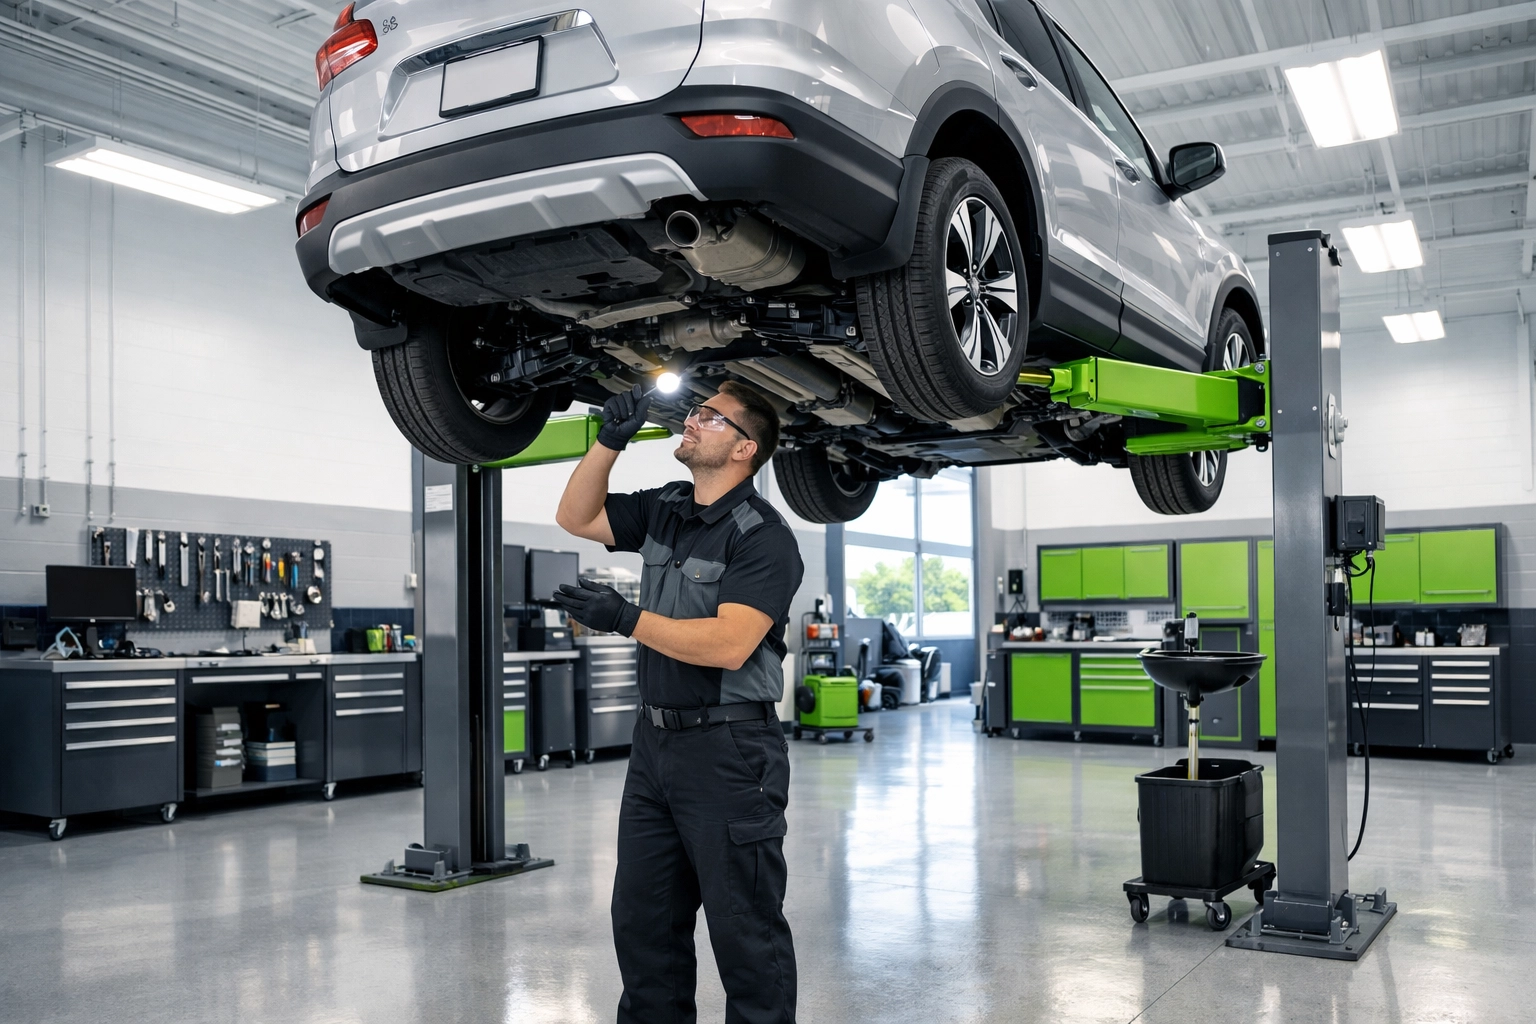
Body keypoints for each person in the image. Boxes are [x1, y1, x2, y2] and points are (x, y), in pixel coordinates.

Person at [555, 380, 803, 1024]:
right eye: (696, 410)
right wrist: (609, 440)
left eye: (711, 417)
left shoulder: (763, 537)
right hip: (654, 750)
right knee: (644, 922)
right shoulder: (668, 506)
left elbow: (728, 644)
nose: (692, 420)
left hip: (730, 753)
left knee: (743, 930)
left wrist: (625, 617)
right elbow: (576, 517)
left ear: (746, 447)